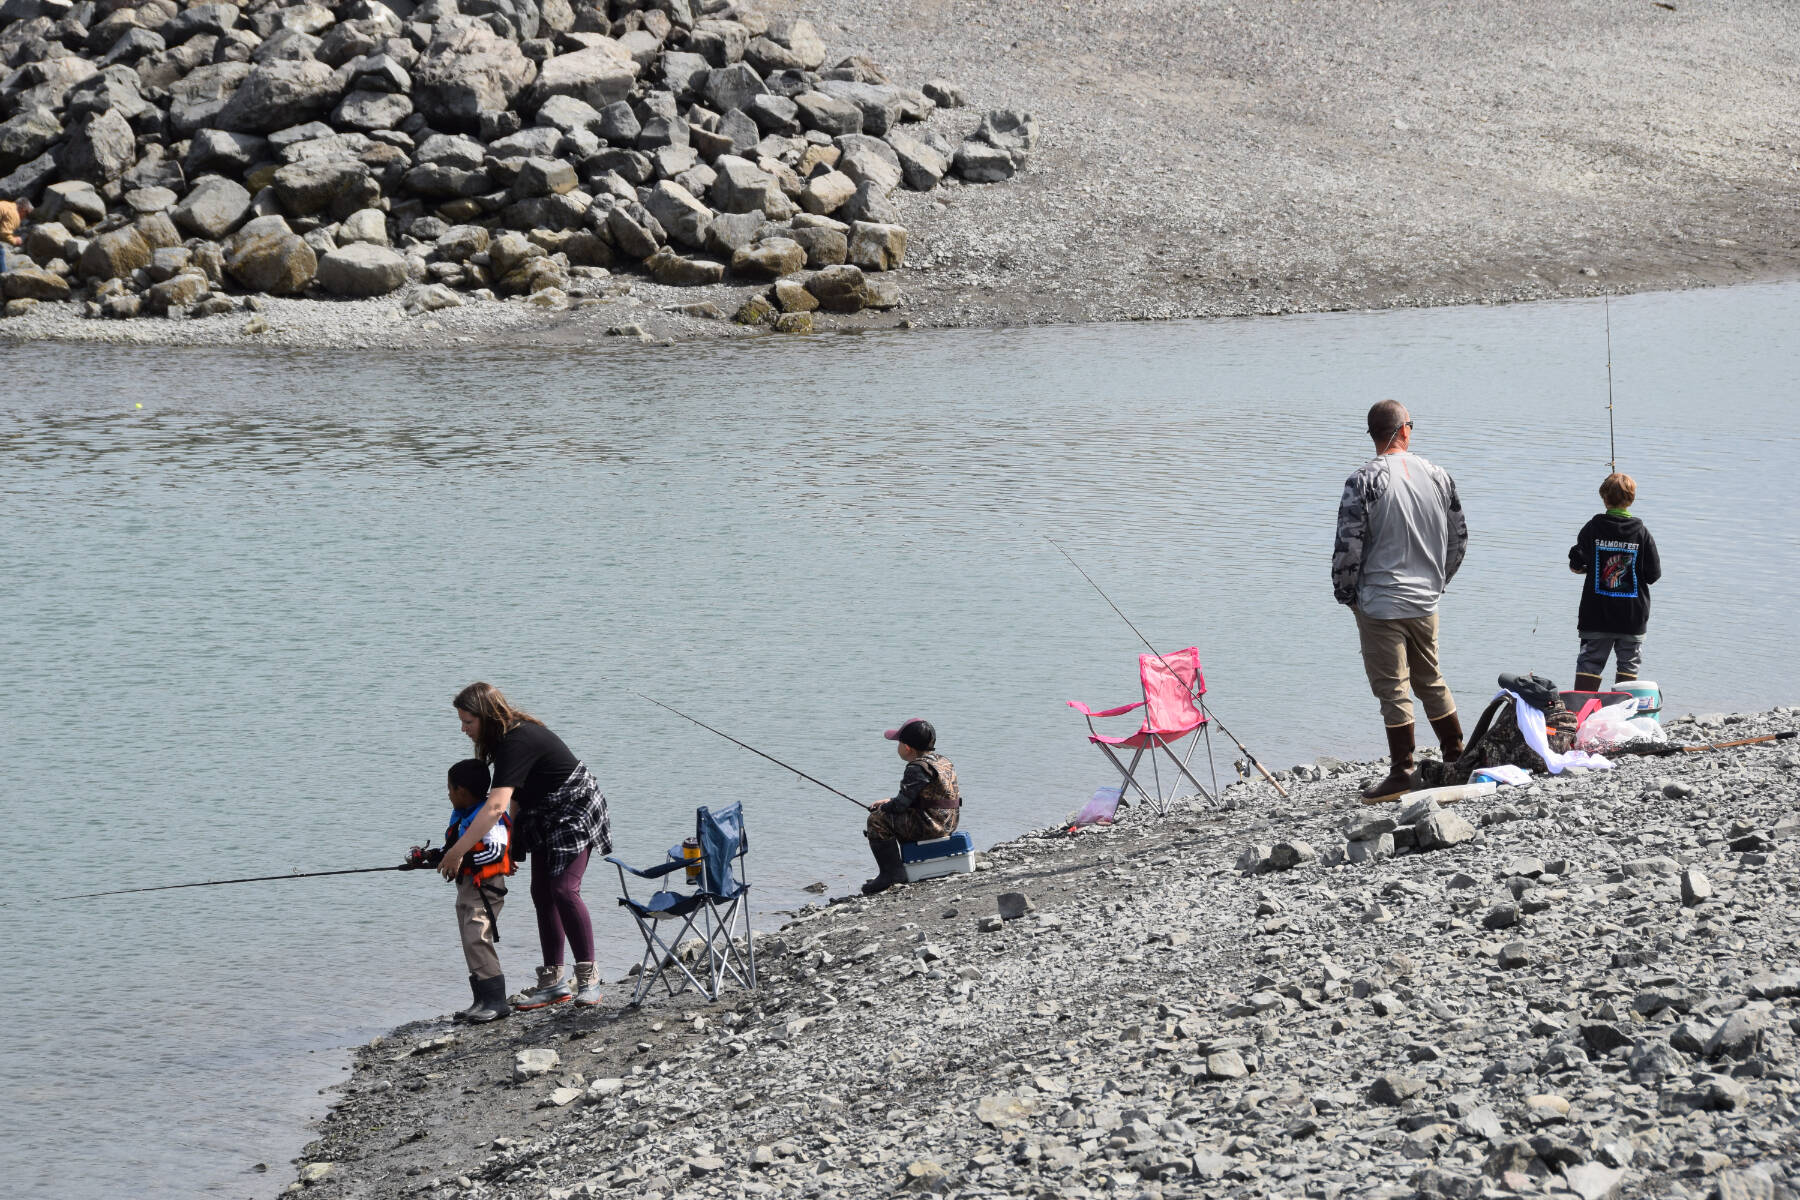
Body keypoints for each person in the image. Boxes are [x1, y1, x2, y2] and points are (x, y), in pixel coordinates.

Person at [1332, 400, 1469, 800]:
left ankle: (1403, 771)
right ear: (1405, 430)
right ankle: (1455, 757)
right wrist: (1439, 581)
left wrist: (1346, 593)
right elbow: (1459, 538)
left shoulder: (1363, 481)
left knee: (1393, 688)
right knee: (1431, 679)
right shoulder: (1438, 475)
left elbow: (1348, 545)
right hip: (1426, 600)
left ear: (1374, 435)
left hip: (1379, 602)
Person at [445, 682, 611, 1010]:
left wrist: (457, 850)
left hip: (575, 808)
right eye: (461, 722)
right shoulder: (503, 743)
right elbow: (515, 797)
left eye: (467, 721)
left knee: (564, 890)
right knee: (542, 892)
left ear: (486, 716)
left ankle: (589, 975)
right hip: (543, 812)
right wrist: (513, 844)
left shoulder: (516, 740)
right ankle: (553, 983)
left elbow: (494, 808)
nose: (462, 729)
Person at [1568, 472, 1661, 692]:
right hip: (1632, 616)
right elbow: (1653, 574)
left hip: (1597, 615)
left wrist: (1586, 569)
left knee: (1590, 663)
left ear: (1604, 498)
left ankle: (1582, 713)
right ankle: (1622, 714)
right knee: (1628, 665)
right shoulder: (1642, 532)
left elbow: (1576, 563)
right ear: (1631, 499)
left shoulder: (1593, 528)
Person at [443, 758, 514, 1024]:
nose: (448, 794)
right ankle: (481, 999)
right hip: (467, 888)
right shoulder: (465, 815)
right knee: (468, 938)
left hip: (485, 889)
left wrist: (462, 860)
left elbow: (496, 852)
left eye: (449, 789)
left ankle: (497, 1001)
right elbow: (454, 848)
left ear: (462, 791)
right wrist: (436, 856)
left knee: (478, 937)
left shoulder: (487, 817)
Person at [861, 718, 960, 895]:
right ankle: (904, 866)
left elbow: (899, 806)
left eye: (898, 742)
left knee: (876, 820)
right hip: (948, 823)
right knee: (888, 813)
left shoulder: (916, 767)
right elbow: (925, 797)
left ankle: (891, 875)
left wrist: (885, 808)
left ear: (907, 748)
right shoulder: (941, 761)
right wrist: (889, 801)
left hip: (932, 826)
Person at [0, 196, 30, 271]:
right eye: (27, 214)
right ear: (23, 210)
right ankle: (4, 278)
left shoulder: (5, 204)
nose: (25, 217)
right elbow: (4, 234)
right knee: (0, 253)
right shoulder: (14, 214)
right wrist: (15, 240)